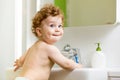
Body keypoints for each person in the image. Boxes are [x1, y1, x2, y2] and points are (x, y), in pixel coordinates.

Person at [14, 4, 82, 80]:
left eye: (60, 26)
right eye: (52, 25)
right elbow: (67, 64)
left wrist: (19, 63)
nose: (57, 29)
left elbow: (21, 60)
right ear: (39, 31)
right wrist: (78, 66)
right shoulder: (49, 48)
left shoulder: (35, 46)